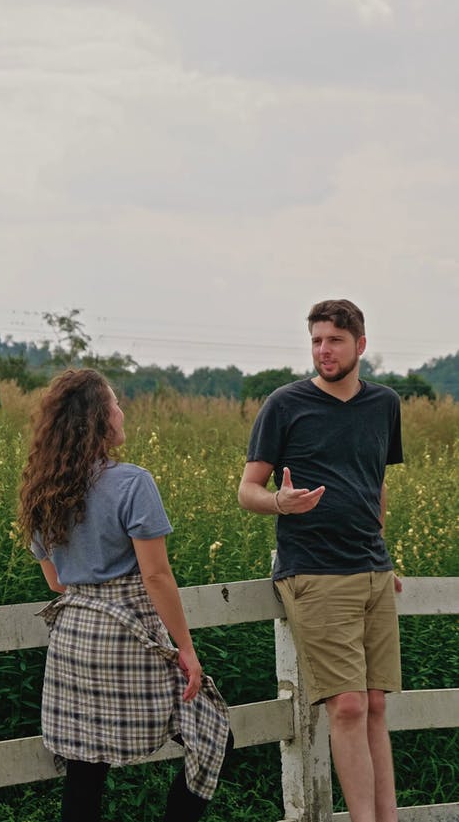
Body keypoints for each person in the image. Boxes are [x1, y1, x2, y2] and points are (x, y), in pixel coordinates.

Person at [19, 368, 231, 822]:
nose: (121, 411)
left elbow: (56, 582)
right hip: (125, 635)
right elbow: (156, 577)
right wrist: (186, 650)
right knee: (213, 730)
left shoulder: (42, 488)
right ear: (98, 419)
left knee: (85, 766)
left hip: (73, 639)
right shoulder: (133, 482)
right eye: (114, 404)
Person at [238, 299, 403, 822]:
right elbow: (247, 490)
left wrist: (383, 553)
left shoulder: (384, 404)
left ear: (360, 344)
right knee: (348, 706)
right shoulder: (285, 404)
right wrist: (279, 502)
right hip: (313, 570)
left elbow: (374, 483)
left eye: (333, 340)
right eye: (316, 340)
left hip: (372, 570)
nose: (323, 350)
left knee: (376, 707)